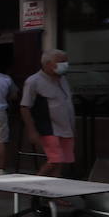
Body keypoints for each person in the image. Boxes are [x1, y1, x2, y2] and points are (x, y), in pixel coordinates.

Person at [21, 49, 75, 177]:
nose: (65, 65)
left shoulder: (63, 80)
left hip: (66, 128)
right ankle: (35, 187)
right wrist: (31, 130)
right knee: (55, 160)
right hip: (48, 128)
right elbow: (24, 107)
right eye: (61, 62)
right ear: (47, 64)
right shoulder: (33, 81)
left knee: (61, 162)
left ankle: (53, 194)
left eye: (66, 61)